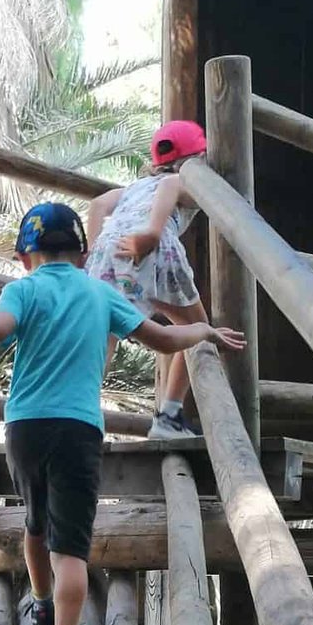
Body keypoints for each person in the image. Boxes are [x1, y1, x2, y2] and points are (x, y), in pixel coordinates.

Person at [0, 199, 243, 625]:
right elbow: (161, 338)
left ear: (26, 257)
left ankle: (41, 608)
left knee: (35, 525)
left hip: (24, 427)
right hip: (78, 430)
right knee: (72, 550)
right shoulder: (100, 292)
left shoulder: (22, 290)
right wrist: (202, 330)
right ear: (84, 251)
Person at [86, 118, 213, 440]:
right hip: (151, 249)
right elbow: (171, 186)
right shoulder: (189, 181)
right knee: (197, 329)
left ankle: (81, 412)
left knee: (106, 334)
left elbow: (98, 204)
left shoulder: (134, 187)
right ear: (197, 159)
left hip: (110, 250)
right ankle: (169, 416)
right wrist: (152, 234)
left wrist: (91, 249)